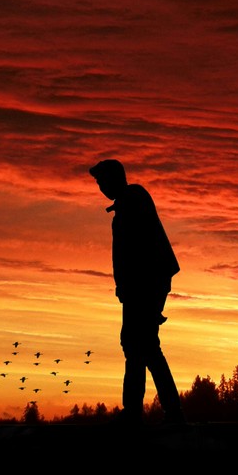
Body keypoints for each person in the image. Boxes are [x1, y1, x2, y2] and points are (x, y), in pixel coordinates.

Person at [89, 159, 186, 426]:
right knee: (142, 347)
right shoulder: (127, 204)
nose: (101, 188)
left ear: (115, 179)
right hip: (140, 288)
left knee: (138, 346)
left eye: (102, 182)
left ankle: (139, 412)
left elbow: (137, 252)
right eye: (98, 184)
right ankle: (161, 411)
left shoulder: (133, 201)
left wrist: (137, 290)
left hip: (144, 287)